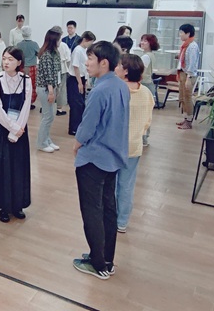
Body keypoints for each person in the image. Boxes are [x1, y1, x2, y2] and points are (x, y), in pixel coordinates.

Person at [72, 41, 129, 280]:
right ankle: (106, 259)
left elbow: (87, 127)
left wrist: (76, 144)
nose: (86, 63)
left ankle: (97, 264)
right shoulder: (121, 86)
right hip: (113, 158)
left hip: (94, 159)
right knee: (108, 209)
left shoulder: (99, 91)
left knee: (92, 211)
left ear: (104, 63)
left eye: (90, 59)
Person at [0, 46, 32, 223]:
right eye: (4, 59)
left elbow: (26, 106)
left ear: (19, 62)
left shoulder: (25, 80)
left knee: (18, 167)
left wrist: (18, 130)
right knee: (1, 168)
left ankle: (17, 205)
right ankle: (3, 206)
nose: (6, 62)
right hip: (1, 130)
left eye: (10, 59)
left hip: (20, 130)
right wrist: (12, 127)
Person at [114, 54, 153, 233]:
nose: (115, 67)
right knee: (127, 185)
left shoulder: (116, 90)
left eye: (119, 65)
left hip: (114, 145)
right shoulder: (146, 93)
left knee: (110, 184)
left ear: (126, 71)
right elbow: (147, 121)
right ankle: (122, 222)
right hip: (134, 145)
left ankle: (109, 218)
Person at [36, 27, 62, 153]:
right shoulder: (46, 55)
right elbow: (48, 75)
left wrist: (57, 88)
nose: (60, 41)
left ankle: (46, 139)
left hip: (52, 87)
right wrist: (51, 92)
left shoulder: (55, 53)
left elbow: (56, 72)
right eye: (59, 39)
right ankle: (41, 143)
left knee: (50, 116)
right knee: (48, 116)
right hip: (45, 89)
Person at [67, 31, 96, 135]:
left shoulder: (85, 50)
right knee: (76, 104)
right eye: (90, 42)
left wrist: (85, 80)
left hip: (81, 78)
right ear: (85, 40)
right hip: (75, 79)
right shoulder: (78, 50)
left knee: (81, 104)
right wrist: (79, 82)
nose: (91, 44)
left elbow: (84, 67)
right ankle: (73, 128)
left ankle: (79, 126)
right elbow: (76, 67)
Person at [176, 23, 200, 130]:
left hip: (188, 75)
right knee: (182, 98)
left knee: (187, 98)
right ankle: (185, 118)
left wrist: (188, 78)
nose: (180, 35)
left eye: (181, 33)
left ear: (188, 33)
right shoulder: (186, 45)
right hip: (183, 73)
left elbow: (192, 63)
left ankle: (189, 121)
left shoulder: (192, 46)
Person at [139, 33, 160, 146]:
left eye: (145, 41)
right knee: (146, 113)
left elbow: (141, 73)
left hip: (145, 85)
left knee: (143, 113)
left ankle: (143, 138)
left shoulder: (146, 57)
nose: (142, 43)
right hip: (149, 84)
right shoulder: (150, 55)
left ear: (151, 43)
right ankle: (144, 138)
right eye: (142, 40)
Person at [16, 25, 39, 109]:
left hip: (21, 67)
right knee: (31, 85)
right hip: (32, 68)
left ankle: (21, 101)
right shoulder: (34, 44)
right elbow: (39, 54)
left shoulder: (19, 45)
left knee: (20, 85)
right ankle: (30, 102)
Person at [56, 32, 71, 116]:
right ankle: (59, 108)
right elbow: (68, 59)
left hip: (53, 70)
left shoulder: (49, 44)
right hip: (62, 69)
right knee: (61, 88)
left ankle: (49, 106)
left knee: (52, 87)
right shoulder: (64, 45)